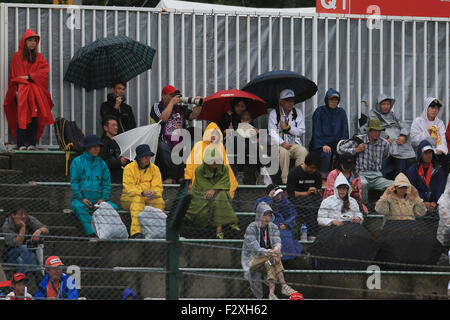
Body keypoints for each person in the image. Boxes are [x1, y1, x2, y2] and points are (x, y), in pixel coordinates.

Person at [3, 29, 54, 150]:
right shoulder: (17, 56)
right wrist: (30, 78)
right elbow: (17, 75)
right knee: (21, 116)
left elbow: (44, 73)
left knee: (34, 117)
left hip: (35, 92)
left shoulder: (39, 57)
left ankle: (32, 143)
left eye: (34, 41)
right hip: (20, 91)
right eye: (30, 40)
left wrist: (29, 76)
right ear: (24, 42)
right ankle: (21, 144)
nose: (32, 43)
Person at [241, 202, 299, 300]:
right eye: (265, 215)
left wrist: (276, 249)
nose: (267, 218)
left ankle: (271, 294)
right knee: (272, 257)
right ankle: (284, 286)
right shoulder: (251, 228)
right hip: (252, 260)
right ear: (259, 215)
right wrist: (271, 252)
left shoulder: (273, 227)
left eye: (269, 215)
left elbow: (277, 241)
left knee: (270, 261)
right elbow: (255, 248)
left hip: (268, 259)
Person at [150, 85, 202, 184]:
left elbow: (193, 116)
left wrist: (199, 105)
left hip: (180, 138)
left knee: (190, 144)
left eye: (176, 95)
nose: (174, 97)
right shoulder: (157, 106)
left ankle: (183, 175)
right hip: (163, 138)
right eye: (171, 95)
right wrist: (172, 103)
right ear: (164, 96)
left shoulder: (179, 108)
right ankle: (170, 176)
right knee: (163, 147)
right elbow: (162, 119)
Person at [185, 146, 239, 239]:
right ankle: (224, 226)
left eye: (216, 159)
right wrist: (214, 189)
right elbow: (203, 187)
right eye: (211, 160)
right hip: (201, 195)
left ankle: (218, 228)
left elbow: (226, 182)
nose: (214, 162)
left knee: (221, 195)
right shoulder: (199, 170)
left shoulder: (224, 168)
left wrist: (214, 190)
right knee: (221, 197)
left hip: (217, 195)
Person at [70, 134, 118, 237]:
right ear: (87, 148)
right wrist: (81, 198)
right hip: (81, 201)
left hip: (99, 201)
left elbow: (106, 184)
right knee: (78, 207)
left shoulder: (102, 163)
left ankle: (105, 232)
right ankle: (92, 233)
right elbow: (74, 183)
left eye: (98, 147)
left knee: (114, 207)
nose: (97, 149)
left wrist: (103, 199)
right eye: (94, 146)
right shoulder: (77, 162)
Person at [338, 118, 393, 203]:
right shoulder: (359, 140)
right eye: (375, 131)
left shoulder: (384, 143)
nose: (377, 133)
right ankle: (364, 208)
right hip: (360, 174)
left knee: (393, 185)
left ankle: (384, 209)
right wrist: (356, 150)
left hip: (377, 176)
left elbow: (385, 156)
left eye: (379, 131)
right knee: (363, 184)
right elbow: (340, 149)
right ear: (369, 131)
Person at [362, 94, 416, 178]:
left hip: (397, 141)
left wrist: (403, 135)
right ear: (378, 105)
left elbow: (404, 124)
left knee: (401, 155)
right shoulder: (373, 114)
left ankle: (399, 182)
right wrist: (385, 137)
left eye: (388, 104)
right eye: (383, 104)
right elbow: (374, 128)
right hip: (382, 141)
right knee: (383, 154)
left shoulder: (393, 114)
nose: (386, 106)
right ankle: (382, 184)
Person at [121, 144, 165, 239]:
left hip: (148, 197)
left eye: (149, 156)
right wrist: (142, 193)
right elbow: (129, 188)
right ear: (139, 158)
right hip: (129, 198)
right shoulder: (128, 168)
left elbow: (158, 187)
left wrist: (154, 193)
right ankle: (136, 233)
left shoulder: (155, 169)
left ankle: (158, 230)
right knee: (138, 200)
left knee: (159, 201)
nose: (147, 158)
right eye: (145, 156)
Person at [185, 122, 238, 199]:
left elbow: (225, 164)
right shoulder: (198, 145)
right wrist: (188, 180)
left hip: (216, 179)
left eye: (216, 134)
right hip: (199, 179)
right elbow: (190, 164)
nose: (214, 136)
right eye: (211, 133)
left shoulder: (220, 146)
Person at [254, 184, 303, 264]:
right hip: (268, 227)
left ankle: (286, 259)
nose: (279, 196)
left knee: (286, 237)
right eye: (276, 194)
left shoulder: (285, 202)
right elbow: (260, 210)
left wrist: (286, 224)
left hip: (283, 227)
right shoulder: (262, 201)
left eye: (280, 194)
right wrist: (269, 198)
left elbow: (292, 215)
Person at [268, 89, 308, 184]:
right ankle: (286, 181)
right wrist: (282, 143)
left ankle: (297, 178)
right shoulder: (275, 113)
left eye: (292, 100)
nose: (291, 103)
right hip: (279, 144)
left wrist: (289, 128)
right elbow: (271, 132)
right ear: (281, 101)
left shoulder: (297, 112)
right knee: (284, 152)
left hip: (293, 143)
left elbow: (302, 131)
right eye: (287, 101)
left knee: (303, 151)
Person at [309, 88, 349, 178]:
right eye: (331, 99)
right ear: (327, 99)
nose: (334, 102)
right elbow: (316, 131)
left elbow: (345, 131)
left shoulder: (341, 112)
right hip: (321, 145)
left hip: (337, 144)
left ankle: (343, 179)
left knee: (346, 154)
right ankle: (324, 178)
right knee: (326, 153)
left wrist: (342, 145)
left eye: (336, 100)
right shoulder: (319, 111)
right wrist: (322, 144)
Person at [286, 152, 323, 238]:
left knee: (318, 205)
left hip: (312, 199)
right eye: (312, 168)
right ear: (306, 164)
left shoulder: (317, 175)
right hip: (297, 199)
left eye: (315, 168)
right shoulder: (294, 172)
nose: (313, 170)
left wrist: (317, 191)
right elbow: (291, 193)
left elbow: (318, 189)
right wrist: (306, 193)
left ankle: (313, 234)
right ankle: (309, 233)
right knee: (310, 208)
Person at [2, 208, 49, 275]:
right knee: (23, 249)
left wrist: (39, 231)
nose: (24, 216)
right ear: (13, 215)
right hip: (10, 254)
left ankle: (21, 282)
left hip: (27, 254)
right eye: (20, 214)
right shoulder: (7, 225)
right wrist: (23, 227)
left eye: (25, 214)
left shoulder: (29, 219)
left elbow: (46, 229)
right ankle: (34, 273)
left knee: (22, 263)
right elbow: (17, 243)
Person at [405, 140, 447, 215]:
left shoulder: (438, 169)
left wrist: (435, 202)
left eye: (430, 152)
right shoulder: (412, 170)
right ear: (420, 154)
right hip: (418, 203)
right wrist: (422, 201)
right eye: (426, 153)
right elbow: (411, 189)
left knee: (443, 210)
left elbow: (441, 187)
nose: (429, 155)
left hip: (435, 204)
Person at [100, 115, 131, 183]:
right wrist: (119, 162)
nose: (116, 127)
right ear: (105, 128)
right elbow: (102, 162)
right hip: (110, 179)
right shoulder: (102, 144)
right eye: (113, 125)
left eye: (116, 125)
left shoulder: (120, 142)